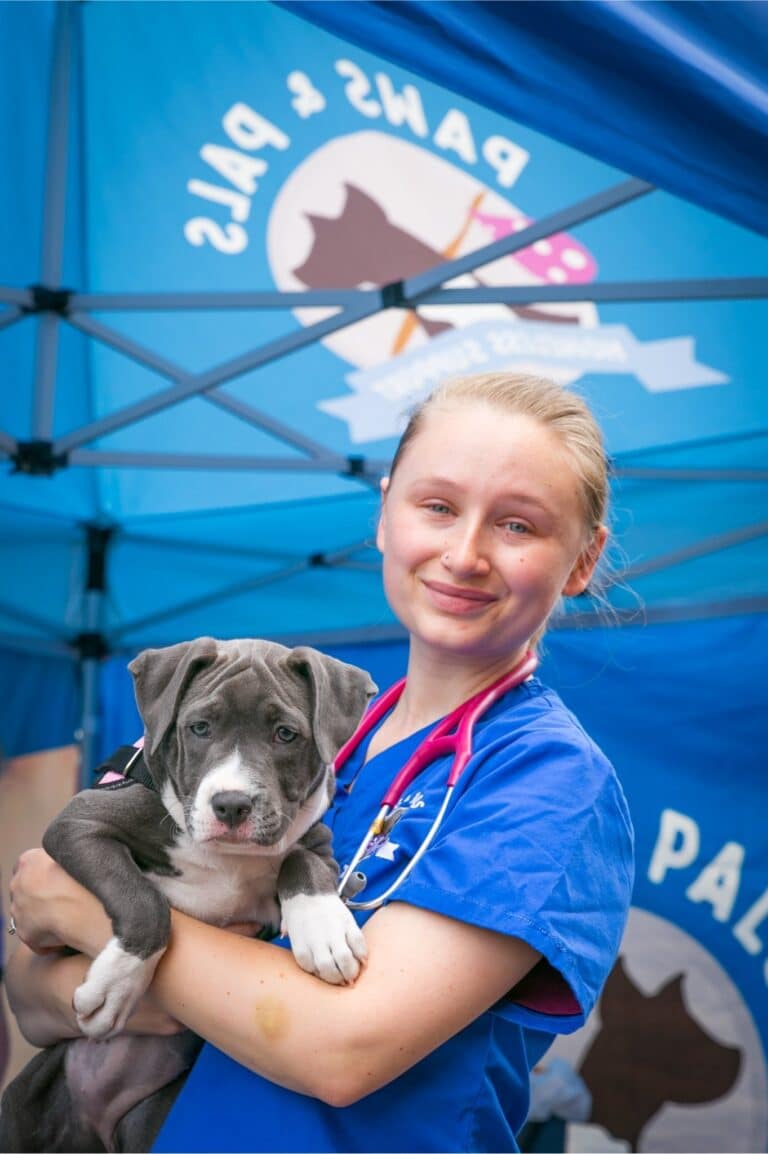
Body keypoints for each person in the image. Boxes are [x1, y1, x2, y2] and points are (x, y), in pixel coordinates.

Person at [5, 372, 634, 1153]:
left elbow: (342, 1049)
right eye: (436, 507)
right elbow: (31, 998)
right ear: (385, 514)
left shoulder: (545, 780)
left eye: (517, 525)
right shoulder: (304, 731)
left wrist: (94, 918)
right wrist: (95, 965)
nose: (464, 554)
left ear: (581, 561)